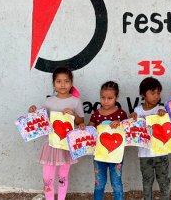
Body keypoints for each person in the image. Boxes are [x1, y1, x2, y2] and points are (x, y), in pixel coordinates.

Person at [28, 66, 86, 200]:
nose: (63, 84)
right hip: (51, 145)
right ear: (53, 84)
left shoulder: (75, 101)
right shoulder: (49, 101)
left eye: (66, 81)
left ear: (71, 83)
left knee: (63, 177)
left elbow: (81, 122)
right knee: (47, 178)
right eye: (59, 81)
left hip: (66, 146)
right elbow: (40, 118)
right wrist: (33, 111)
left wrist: (74, 115)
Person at [130, 77, 169, 200]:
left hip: (161, 153)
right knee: (147, 182)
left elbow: (168, 125)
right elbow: (131, 128)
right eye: (152, 93)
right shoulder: (137, 110)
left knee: (164, 181)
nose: (156, 96)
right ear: (143, 94)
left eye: (158, 93)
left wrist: (164, 114)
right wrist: (132, 118)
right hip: (144, 154)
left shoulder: (160, 110)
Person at [89, 81, 128, 200]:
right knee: (99, 183)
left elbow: (128, 131)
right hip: (99, 155)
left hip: (116, 156)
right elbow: (89, 130)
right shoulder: (96, 114)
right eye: (103, 97)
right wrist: (86, 128)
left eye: (110, 98)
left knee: (116, 183)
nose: (105, 101)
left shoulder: (121, 114)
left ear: (116, 97)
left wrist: (121, 123)